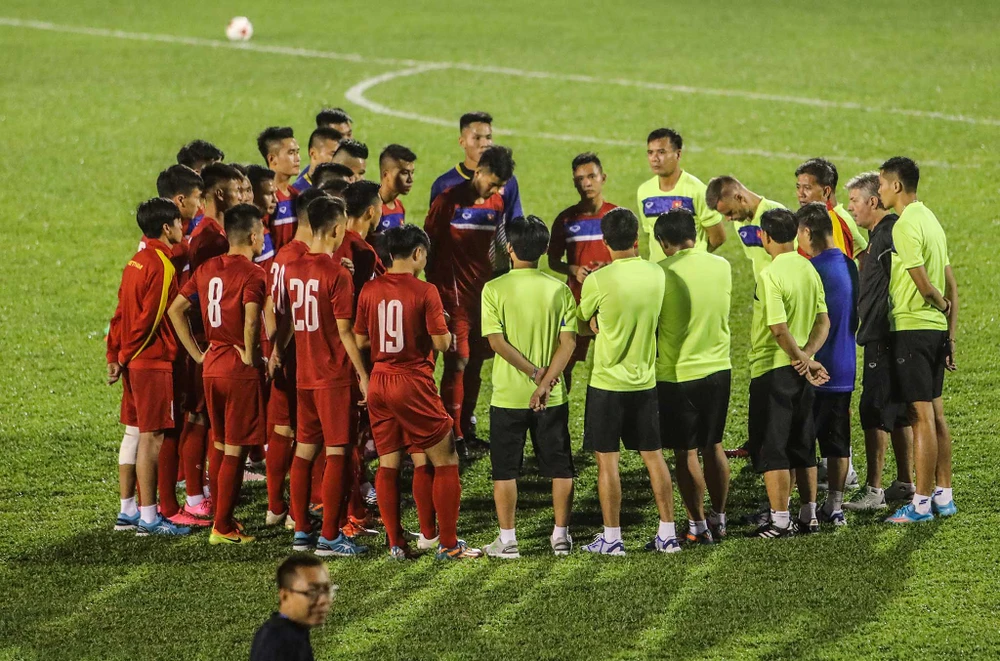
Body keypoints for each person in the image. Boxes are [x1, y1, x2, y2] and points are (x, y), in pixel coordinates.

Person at [354, 224, 483, 560]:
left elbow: (361, 339)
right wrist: (442, 325)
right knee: (446, 458)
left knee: (390, 463)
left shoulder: (370, 290)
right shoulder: (425, 291)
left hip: (379, 380)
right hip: (412, 381)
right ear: (417, 253)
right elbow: (441, 342)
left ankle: (399, 542)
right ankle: (449, 545)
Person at [271, 196, 370, 556]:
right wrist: (363, 374)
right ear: (336, 228)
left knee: (304, 451)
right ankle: (329, 536)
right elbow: (345, 332)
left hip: (305, 376)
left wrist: (277, 350)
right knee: (338, 453)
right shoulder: (337, 274)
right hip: (333, 377)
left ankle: (301, 530)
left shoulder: (294, 268)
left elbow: (286, 319)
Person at [576, 208, 678, 555]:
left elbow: (581, 323)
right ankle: (668, 534)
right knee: (654, 457)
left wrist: (593, 323)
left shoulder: (597, 280)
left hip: (607, 384)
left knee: (608, 462)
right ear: (637, 238)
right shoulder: (656, 274)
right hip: (645, 382)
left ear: (604, 242)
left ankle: (612, 538)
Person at [169, 204, 267, 543]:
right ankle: (222, 526)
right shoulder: (254, 274)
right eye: (262, 234)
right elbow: (251, 320)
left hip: (212, 365)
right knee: (236, 449)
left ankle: (224, 517)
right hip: (238, 368)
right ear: (253, 237)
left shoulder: (208, 267)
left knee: (222, 444)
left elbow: (176, 310)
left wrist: (197, 353)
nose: (264, 239)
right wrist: (252, 355)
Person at [480, 216, 577, 558]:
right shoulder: (560, 290)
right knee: (560, 467)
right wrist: (546, 382)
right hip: (552, 396)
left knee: (505, 470)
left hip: (509, 396)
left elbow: (496, 342)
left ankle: (507, 541)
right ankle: (561, 537)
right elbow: (568, 343)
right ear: (545, 249)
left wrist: (533, 374)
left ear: (509, 248)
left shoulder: (494, 289)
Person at [879, 157, 958, 523]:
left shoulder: (905, 224)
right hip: (935, 332)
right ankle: (944, 495)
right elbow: (951, 282)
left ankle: (921, 504)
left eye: (882, 183)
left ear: (896, 186)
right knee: (936, 415)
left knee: (920, 416)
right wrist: (949, 331)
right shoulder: (931, 220)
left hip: (912, 329)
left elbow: (926, 285)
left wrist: (940, 304)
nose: (879, 190)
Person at [106, 198, 191, 537]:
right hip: (150, 361)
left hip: (132, 361)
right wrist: (125, 355)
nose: (183, 228)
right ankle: (149, 518)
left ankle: (127, 510)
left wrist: (114, 355)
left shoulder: (135, 261)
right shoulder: (162, 265)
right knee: (152, 439)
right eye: (179, 223)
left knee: (135, 432)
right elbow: (150, 319)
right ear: (167, 228)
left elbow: (120, 313)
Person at [745, 208, 830, 538]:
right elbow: (823, 321)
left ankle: (780, 521)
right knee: (803, 445)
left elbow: (778, 329)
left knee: (774, 448)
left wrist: (798, 357)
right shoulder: (809, 268)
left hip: (773, 369)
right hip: (801, 373)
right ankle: (809, 515)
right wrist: (807, 357)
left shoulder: (770, 274)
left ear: (765, 236)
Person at [425, 145, 515, 452]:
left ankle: (466, 426)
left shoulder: (497, 203)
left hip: (482, 298)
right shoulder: (447, 202)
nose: (495, 190)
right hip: (452, 299)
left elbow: (499, 248)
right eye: (493, 183)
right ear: (478, 172)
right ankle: (452, 434)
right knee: (457, 361)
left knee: (476, 362)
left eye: (500, 186)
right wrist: (435, 294)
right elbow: (428, 246)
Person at [653, 209, 732, 543]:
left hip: (678, 374)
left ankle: (697, 526)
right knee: (714, 446)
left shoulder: (661, 272)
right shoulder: (722, 266)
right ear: (695, 234)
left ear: (663, 242)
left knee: (685, 452)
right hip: (719, 368)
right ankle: (720, 518)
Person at [842, 172, 915, 511]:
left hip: (884, 336)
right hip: (888, 335)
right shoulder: (881, 234)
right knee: (899, 413)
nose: (850, 208)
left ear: (873, 201)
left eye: (854, 201)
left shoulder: (887, 235)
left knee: (873, 410)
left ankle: (874, 490)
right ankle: (905, 482)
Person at [263, 187, 328, 528]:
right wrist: (282, 349)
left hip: (283, 351)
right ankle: (302, 509)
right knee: (307, 435)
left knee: (282, 429)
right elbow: (287, 311)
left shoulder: (282, 254)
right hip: (301, 353)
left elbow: (270, 305)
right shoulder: (302, 258)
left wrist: (274, 346)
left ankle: (276, 506)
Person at [796, 203, 858, 527]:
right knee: (838, 442)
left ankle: (807, 511)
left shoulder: (810, 270)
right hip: (845, 366)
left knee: (804, 442)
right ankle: (834, 507)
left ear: (807, 232)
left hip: (814, 369)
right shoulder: (851, 266)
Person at [546, 152, 616, 391]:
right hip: (577, 302)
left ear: (603, 178)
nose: (586, 183)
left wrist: (611, 267)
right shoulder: (565, 220)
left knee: (613, 361)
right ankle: (560, 405)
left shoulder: (616, 216)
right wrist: (573, 269)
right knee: (565, 361)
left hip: (611, 301)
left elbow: (632, 255)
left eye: (591, 176)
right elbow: (552, 261)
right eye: (580, 179)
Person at [429, 111, 524, 275]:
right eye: (477, 138)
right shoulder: (444, 184)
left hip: (497, 272)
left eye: (488, 137)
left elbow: (515, 225)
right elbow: (435, 235)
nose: (484, 144)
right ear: (462, 142)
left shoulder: (508, 181)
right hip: (459, 274)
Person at [637, 128, 725, 261]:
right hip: (659, 271)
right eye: (650, 152)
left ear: (678, 154)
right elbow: (650, 234)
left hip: (691, 269)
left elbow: (718, 237)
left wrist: (697, 257)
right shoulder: (644, 192)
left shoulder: (697, 190)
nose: (655, 158)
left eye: (661, 152)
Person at [250, 554, 334, 661]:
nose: (323, 600)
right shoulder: (279, 644)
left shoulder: (291, 629)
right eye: (312, 592)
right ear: (285, 595)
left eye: (326, 590)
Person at [705, 175, 786, 282]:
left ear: (740, 198)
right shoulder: (740, 223)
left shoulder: (776, 214)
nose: (728, 219)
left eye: (730, 213)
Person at [794, 158, 864, 260]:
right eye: (798, 187)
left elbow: (860, 257)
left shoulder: (833, 222)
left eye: (807, 188)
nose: (800, 194)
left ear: (826, 192)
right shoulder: (815, 218)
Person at [257, 126, 301, 250]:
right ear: (272, 159)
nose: (298, 158)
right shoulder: (264, 200)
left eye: (297, 152)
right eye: (291, 153)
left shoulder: (297, 195)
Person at [376, 144, 417, 233]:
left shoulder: (399, 206)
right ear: (386, 175)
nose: (410, 179)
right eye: (404, 173)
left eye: (412, 172)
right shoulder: (371, 207)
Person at [292, 127, 342, 194]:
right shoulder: (297, 191)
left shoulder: (342, 186)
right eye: (333, 154)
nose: (338, 159)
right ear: (313, 153)